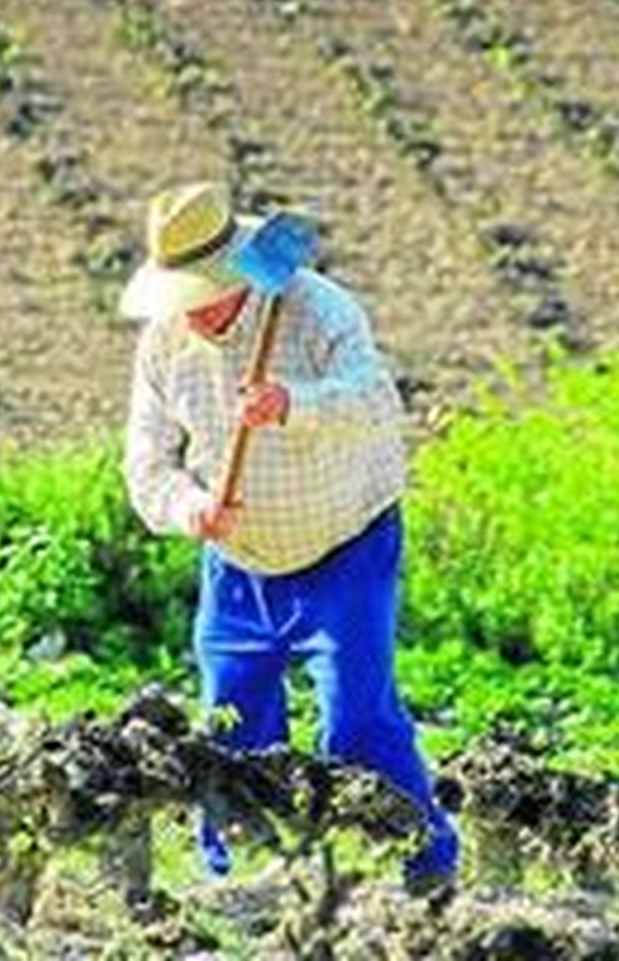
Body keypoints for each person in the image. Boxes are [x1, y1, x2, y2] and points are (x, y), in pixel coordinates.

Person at [119, 180, 459, 894]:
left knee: (357, 721)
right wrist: (191, 508)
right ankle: (248, 886)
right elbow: (147, 461)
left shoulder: (316, 308)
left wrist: (290, 403)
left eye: (204, 291)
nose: (195, 311)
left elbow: (375, 401)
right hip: (238, 563)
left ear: (237, 269)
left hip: (347, 547)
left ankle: (424, 872)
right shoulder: (165, 342)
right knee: (233, 724)